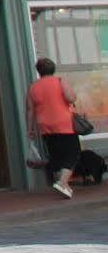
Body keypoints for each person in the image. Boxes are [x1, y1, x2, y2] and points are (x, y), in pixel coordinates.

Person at [27, 57, 80, 198]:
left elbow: (30, 110)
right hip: (63, 123)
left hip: (45, 126)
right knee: (73, 153)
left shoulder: (33, 87)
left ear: (39, 71)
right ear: (53, 69)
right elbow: (71, 98)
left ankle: (63, 186)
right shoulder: (59, 81)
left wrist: (30, 129)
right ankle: (62, 182)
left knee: (56, 155)